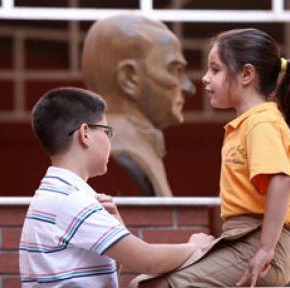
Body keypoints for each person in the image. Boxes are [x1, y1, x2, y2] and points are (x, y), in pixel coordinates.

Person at [131, 28, 290, 288]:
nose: (205, 79)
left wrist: (266, 249)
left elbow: (281, 181)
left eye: (215, 70)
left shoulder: (262, 122)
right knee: (143, 282)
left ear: (246, 74)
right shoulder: (245, 124)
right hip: (240, 239)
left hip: (262, 245)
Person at [18, 87, 214, 287]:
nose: (109, 141)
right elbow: (148, 261)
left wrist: (116, 229)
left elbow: (113, 268)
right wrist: (194, 247)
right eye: (106, 131)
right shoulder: (73, 200)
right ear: (85, 133)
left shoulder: (54, 193)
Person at [82, 14, 196, 197]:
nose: (189, 87)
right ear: (129, 79)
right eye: (174, 70)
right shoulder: (119, 154)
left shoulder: (137, 145)